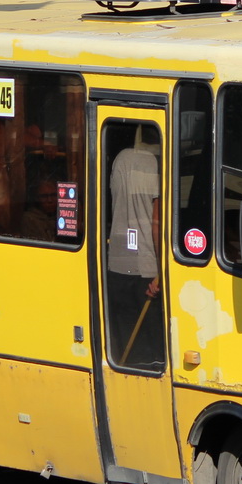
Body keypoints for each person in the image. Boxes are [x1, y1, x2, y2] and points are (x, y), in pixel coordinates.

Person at [107, 126, 162, 367]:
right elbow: (156, 225)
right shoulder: (153, 163)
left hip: (117, 260)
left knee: (125, 339)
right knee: (150, 350)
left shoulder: (119, 159)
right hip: (146, 268)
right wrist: (163, 271)